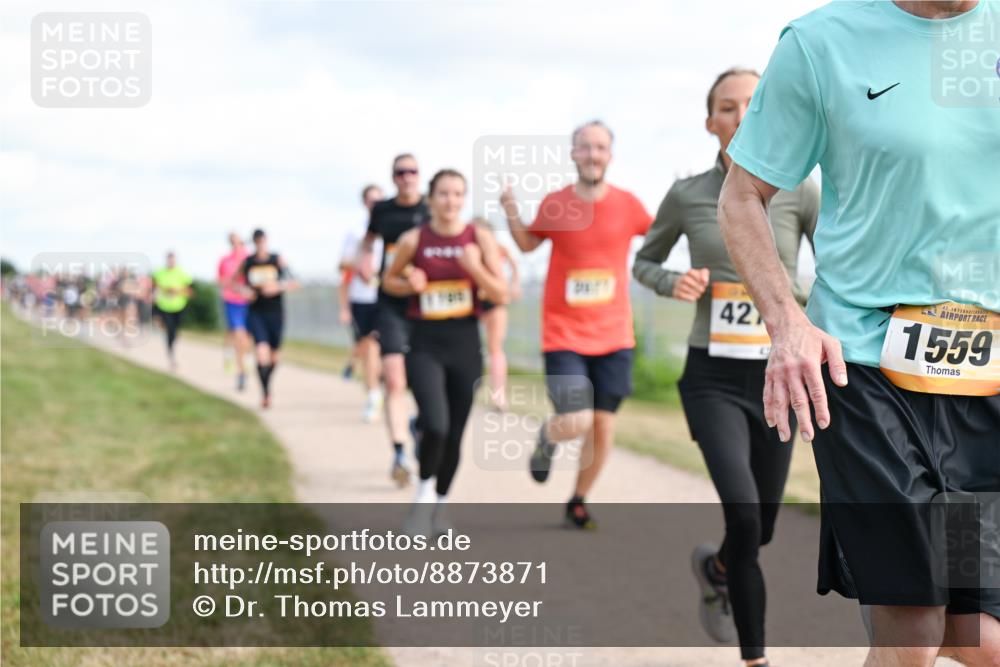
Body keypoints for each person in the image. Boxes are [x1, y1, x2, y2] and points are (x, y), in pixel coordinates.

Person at [717, 2, 999, 665]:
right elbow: (741, 195)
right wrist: (788, 323)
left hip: (988, 374)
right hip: (865, 366)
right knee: (914, 623)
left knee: (978, 635)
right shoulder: (822, 43)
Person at [634, 67, 820, 665]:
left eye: (751, 103)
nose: (740, 116)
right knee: (743, 515)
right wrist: (672, 280)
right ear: (710, 122)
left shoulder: (804, 191)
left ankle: (716, 567)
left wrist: (806, 314)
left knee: (760, 527)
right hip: (711, 376)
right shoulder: (688, 193)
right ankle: (754, 656)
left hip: (777, 376)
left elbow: (839, 266)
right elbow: (646, 259)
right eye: (727, 107)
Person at [501, 120, 652, 529]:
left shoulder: (628, 205)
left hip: (615, 335)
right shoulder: (557, 203)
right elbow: (528, 243)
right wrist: (511, 210)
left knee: (603, 427)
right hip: (564, 334)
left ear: (610, 155)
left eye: (600, 147)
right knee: (578, 420)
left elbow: (659, 236)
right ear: (573, 154)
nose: (592, 155)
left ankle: (578, 501)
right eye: (584, 147)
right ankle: (549, 436)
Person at [383, 169, 507, 535]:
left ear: (463, 199)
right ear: (430, 198)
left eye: (457, 194)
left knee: (454, 433)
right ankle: (421, 500)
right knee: (435, 425)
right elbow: (388, 280)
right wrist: (409, 283)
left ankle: (440, 507)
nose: (450, 201)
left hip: (465, 344)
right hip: (425, 344)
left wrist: (475, 269)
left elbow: (500, 293)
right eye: (443, 194)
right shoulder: (413, 238)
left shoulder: (479, 238)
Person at [358, 154, 431, 486]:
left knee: (424, 381)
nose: (407, 177)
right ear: (393, 177)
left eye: (412, 171)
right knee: (395, 379)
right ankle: (400, 452)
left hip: (427, 306)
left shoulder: (431, 208)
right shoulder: (382, 211)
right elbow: (368, 241)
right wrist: (363, 262)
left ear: (419, 176)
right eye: (400, 172)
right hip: (389, 302)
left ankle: (418, 426)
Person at [339, 184, 385, 422]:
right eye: (371, 200)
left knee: (382, 348)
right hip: (362, 298)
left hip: (387, 297)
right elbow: (344, 268)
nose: (375, 204)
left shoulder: (392, 229)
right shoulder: (356, 233)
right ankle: (374, 394)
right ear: (364, 203)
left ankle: (379, 387)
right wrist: (344, 306)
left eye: (379, 199)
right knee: (369, 348)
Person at [242, 229, 299, 408]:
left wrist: (278, 287)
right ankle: (266, 394)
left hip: (275, 313)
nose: (260, 244)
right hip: (256, 312)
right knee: (261, 353)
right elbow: (234, 282)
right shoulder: (248, 262)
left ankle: (267, 384)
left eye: (262, 240)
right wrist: (244, 292)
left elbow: (295, 281)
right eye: (257, 241)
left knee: (274, 358)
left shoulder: (277, 260)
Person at [471, 217, 522, 412]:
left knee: (495, 348)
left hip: (495, 302)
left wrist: (514, 284)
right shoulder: (468, 251)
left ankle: (499, 396)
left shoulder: (499, 249)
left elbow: (514, 264)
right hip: (472, 303)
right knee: (472, 347)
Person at [218, 232, 252, 391]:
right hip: (232, 301)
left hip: (249, 302)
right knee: (237, 334)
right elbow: (221, 280)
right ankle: (241, 372)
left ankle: (243, 360)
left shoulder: (249, 258)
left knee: (246, 337)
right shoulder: (225, 260)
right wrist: (235, 287)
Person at [151, 252, 193, 371]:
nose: (171, 262)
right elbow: (153, 288)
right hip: (163, 306)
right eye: (169, 260)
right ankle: (171, 354)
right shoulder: (159, 273)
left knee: (175, 331)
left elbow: (190, 292)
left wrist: (177, 291)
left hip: (179, 307)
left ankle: (171, 345)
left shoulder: (183, 274)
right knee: (169, 329)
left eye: (172, 260)